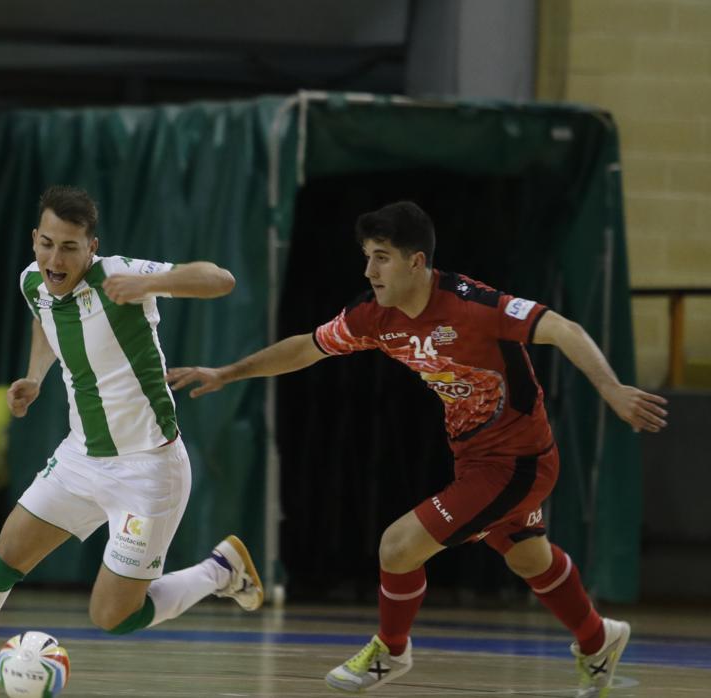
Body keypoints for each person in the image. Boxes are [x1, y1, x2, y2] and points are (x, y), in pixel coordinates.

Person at [167, 201, 668, 697]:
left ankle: (391, 649)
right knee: (529, 560)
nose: (369, 270)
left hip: (517, 464)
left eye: (381, 256)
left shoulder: (473, 305)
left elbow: (564, 329)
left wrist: (613, 389)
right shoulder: (375, 317)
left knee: (398, 545)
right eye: (366, 256)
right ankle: (598, 638)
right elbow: (306, 346)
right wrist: (227, 373)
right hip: (475, 460)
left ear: (416, 262)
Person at [0, 185, 265, 689]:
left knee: (113, 616)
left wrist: (151, 284)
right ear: (35, 239)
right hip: (80, 458)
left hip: (148, 470)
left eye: (70, 247)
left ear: (91, 248)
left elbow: (221, 280)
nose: (56, 258)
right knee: (4, 556)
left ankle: (217, 573)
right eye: (48, 243)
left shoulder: (120, 275)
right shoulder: (33, 281)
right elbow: (44, 323)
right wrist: (35, 377)